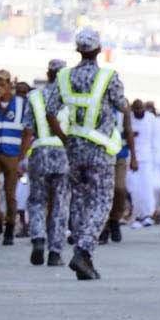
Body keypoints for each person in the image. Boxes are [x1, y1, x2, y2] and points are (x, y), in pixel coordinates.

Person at [55, 29, 132, 280]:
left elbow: (50, 110)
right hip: (99, 150)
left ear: (78, 50)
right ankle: (83, 249)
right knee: (101, 202)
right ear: (98, 50)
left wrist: (66, 139)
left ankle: (83, 255)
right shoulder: (107, 76)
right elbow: (122, 104)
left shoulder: (64, 77)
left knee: (78, 201)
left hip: (74, 148)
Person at [24, 62, 70, 267]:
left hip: (39, 153)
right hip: (64, 154)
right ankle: (55, 252)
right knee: (60, 204)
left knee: (37, 201)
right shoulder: (71, 98)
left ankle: (38, 238)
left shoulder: (34, 97)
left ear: (48, 74)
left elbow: (27, 130)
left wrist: (21, 158)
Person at [0, 71, 30, 246]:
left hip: (12, 154)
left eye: (2, 83)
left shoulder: (21, 104)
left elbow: (28, 132)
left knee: (10, 193)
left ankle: (10, 227)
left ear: (9, 85)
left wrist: (21, 156)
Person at [125, 100, 160, 230]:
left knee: (146, 188)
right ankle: (136, 216)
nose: (138, 112)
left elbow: (156, 140)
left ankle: (147, 215)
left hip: (147, 159)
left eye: (140, 109)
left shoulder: (151, 120)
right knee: (133, 188)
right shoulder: (128, 118)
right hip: (131, 158)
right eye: (136, 110)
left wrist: (157, 161)